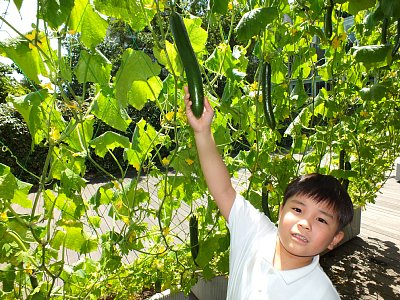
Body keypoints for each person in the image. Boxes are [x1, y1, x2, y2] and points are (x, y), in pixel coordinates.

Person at [183, 86, 354, 300]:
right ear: (281, 211)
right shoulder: (254, 232)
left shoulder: (322, 295)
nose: (304, 223)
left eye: (321, 219)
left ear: (335, 239)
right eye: (298, 209)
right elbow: (224, 190)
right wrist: (202, 132)